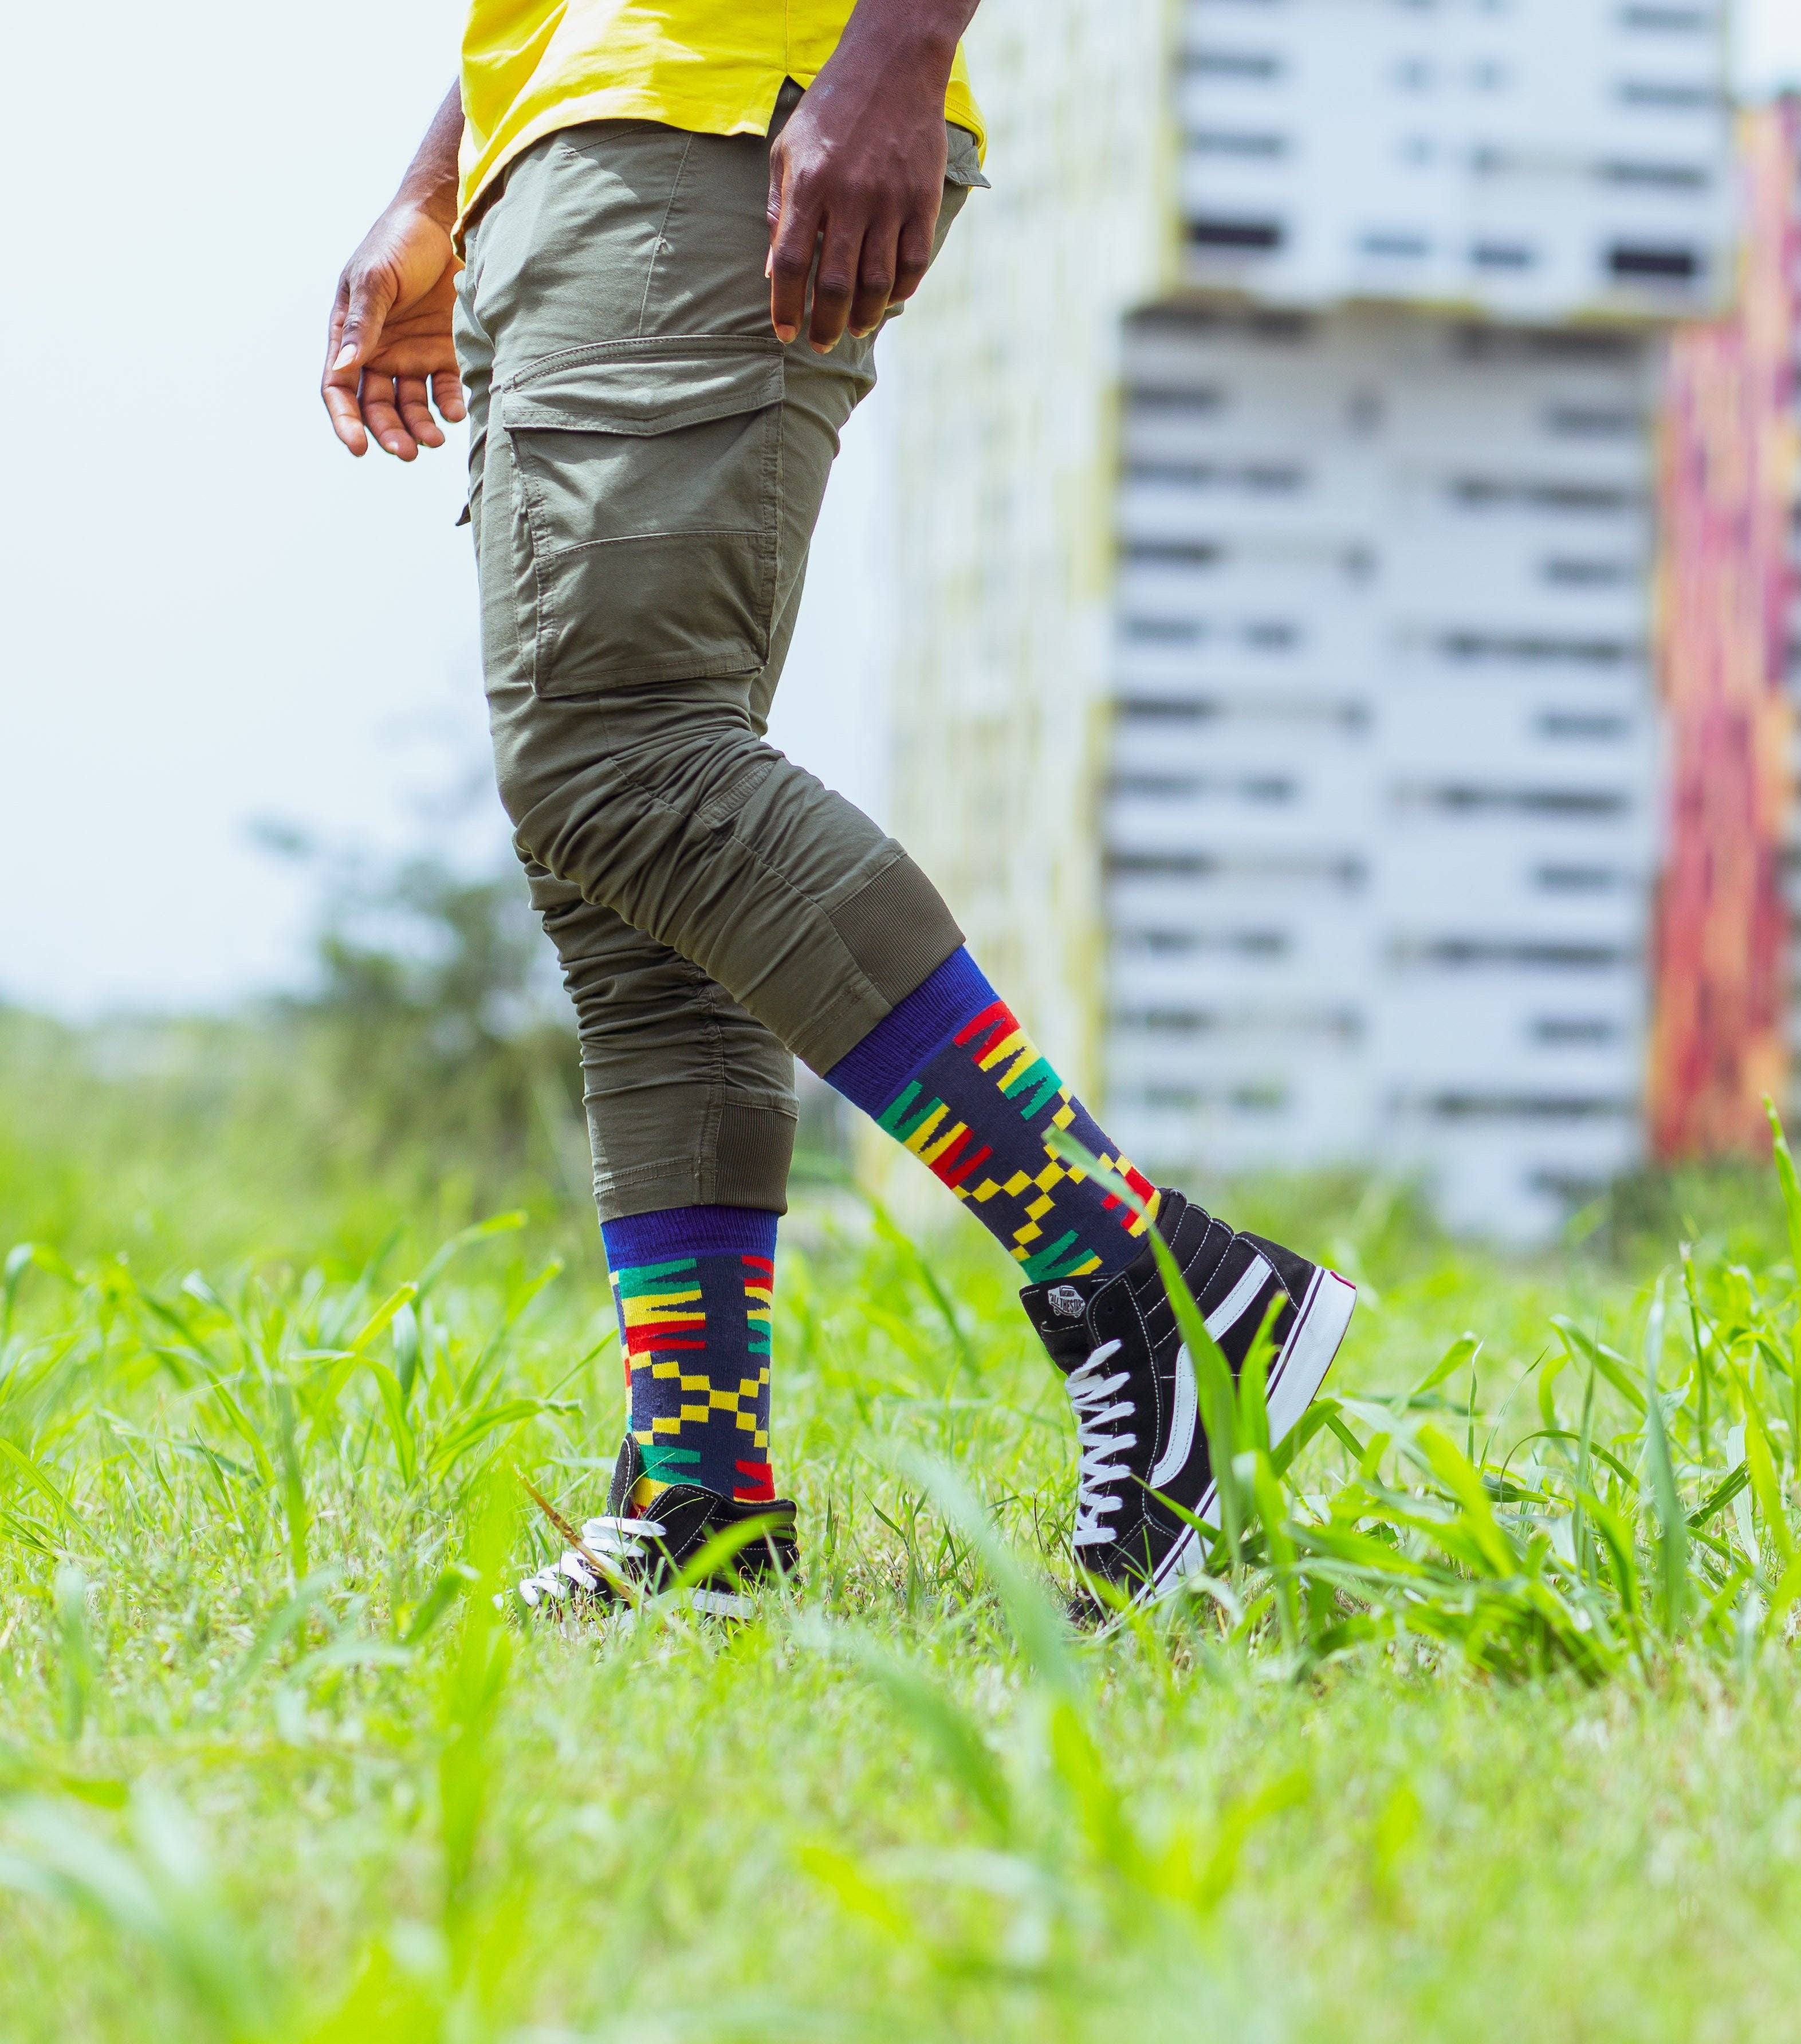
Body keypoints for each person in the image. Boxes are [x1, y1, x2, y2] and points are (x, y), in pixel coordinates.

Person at [322, 0, 1356, 1616]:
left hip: (717, 111)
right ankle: (703, 1498)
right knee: (629, 882)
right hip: (576, 135)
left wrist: (904, 45)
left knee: (627, 767)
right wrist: (442, 177)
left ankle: (1156, 1287)